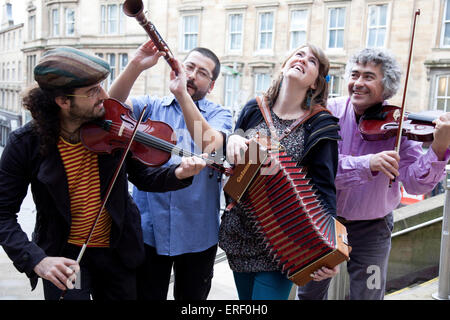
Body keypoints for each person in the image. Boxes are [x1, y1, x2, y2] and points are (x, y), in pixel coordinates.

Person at [0, 46, 206, 300]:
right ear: (64, 102)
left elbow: (143, 177)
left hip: (117, 252)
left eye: (101, 85)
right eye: (92, 91)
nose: (105, 95)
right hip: (66, 258)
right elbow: (2, 214)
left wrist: (179, 174)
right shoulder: (25, 143)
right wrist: (37, 260)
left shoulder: (110, 129)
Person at [297, 48, 450, 300]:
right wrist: (369, 163)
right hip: (322, 221)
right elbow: (322, 168)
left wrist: (438, 147)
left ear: (386, 85)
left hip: (373, 230)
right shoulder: (328, 112)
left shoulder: (398, 125)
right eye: (354, 74)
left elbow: (415, 184)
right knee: (309, 293)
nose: (358, 83)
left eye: (368, 77)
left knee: (369, 293)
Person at [109, 41, 232, 300]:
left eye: (202, 73)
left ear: (211, 86)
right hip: (148, 231)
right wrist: (135, 65)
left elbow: (210, 143)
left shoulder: (220, 114)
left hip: (198, 236)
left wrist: (182, 96)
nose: (193, 75)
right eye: (189, 67)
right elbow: (111, 107)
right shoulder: (149, 106)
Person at [218, 44, 341, 300]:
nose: (302, 60)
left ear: (316, 84)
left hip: (284, 240)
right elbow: (230, 157)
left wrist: (330, 249)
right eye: (298, 54)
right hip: (240, 232)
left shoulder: (321, 125)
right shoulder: (253, 108)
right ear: (284, 65)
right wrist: (232, 140)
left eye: (312, 61)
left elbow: (325, 190)